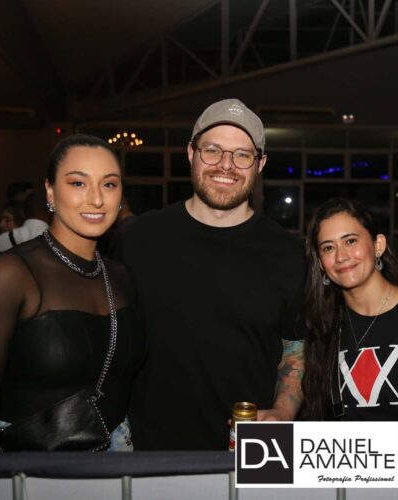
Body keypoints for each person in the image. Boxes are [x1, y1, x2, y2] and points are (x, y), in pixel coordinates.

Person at [115, 98, 306, 450]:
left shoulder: (290, 254)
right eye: (213, 150)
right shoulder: (136, 240)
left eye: (242, 155)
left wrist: (283, 412)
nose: (226, 165)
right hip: (151, 455)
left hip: (255, 452)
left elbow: (294, 348)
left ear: (260, 164)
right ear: (191, 153)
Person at [0, 134, 145, 452]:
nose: (96, 199)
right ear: (50, 192)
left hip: (119, 463)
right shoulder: (10, 275)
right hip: (31, 468)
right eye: (78, 183)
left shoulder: (121, 277)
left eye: (109, 184)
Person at [301, 198, 398, 449]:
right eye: (328, 248)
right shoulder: (322, 325)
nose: (341, 256)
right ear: (320, 262)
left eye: (351, 241)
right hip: (352, 466)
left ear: (378, 245)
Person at [0, 191, 51, 255]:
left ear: (21, 217)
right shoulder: (55, 241)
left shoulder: (0, 242)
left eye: (8, 220)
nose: (1, 225)